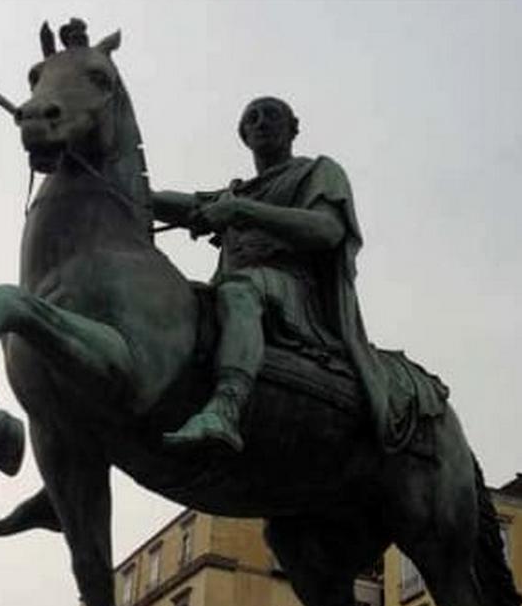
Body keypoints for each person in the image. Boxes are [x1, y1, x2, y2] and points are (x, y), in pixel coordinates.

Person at [154, 96, 417, 453]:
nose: (261, 122)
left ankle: (226, 407)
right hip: (236, 288)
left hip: (295, 292)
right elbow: (187, 205)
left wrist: (243, 211)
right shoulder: (236, 192)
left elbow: (327, 230)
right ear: (244, 135)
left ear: (293, 127)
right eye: (252, 118)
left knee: (239, 291)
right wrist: (133, 194)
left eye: (271, 115)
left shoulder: (317, 172)